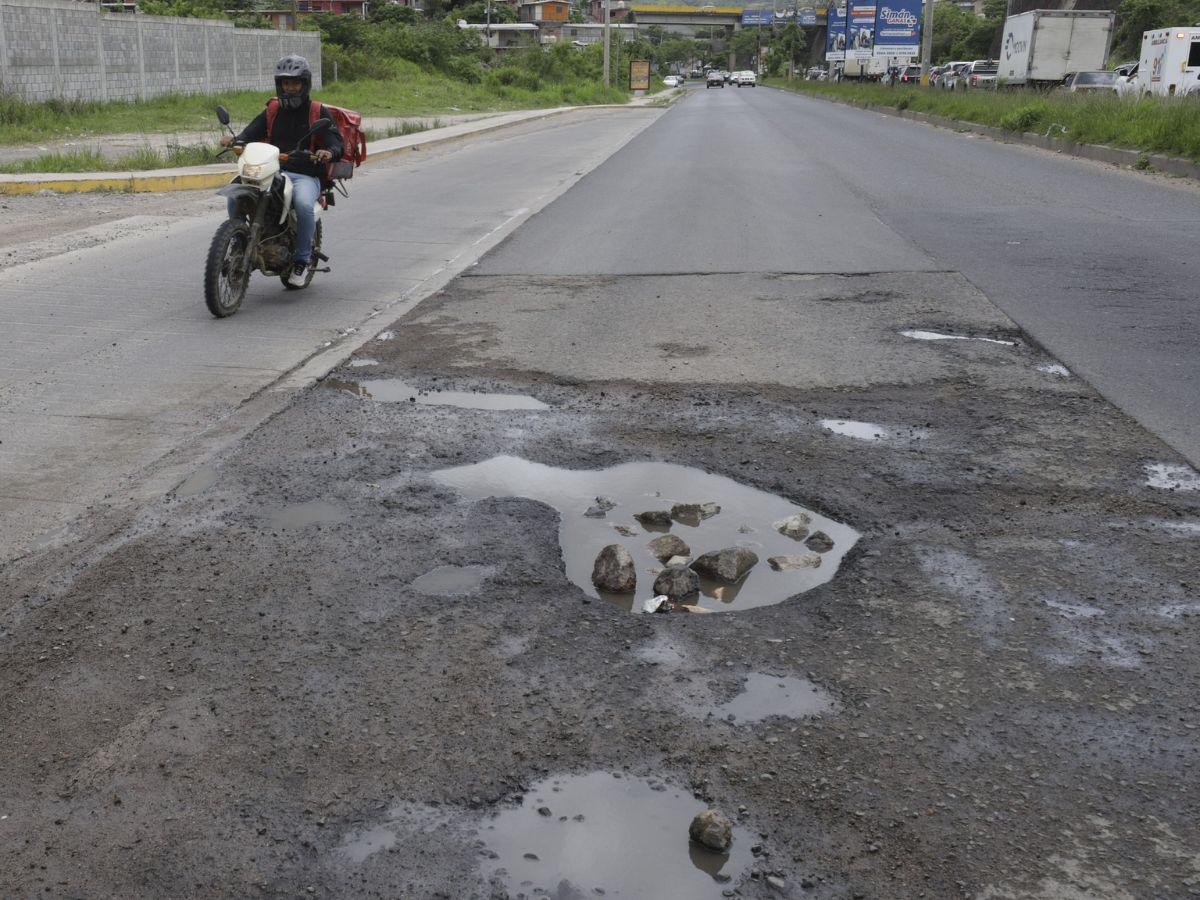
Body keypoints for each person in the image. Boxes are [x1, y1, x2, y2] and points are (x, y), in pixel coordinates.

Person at [220, 55, 343, 287]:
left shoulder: (317, 111)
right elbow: (250, 133)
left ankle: (301, 260)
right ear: (280, 85)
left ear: (304, 84)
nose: (290, 88)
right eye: (286, 83)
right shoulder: (273, 109)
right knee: (235, 192)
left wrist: (328, 152)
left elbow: (336, 142)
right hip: (272, 169)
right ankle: (237, 239)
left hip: (304, 174)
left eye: (295, 83)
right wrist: (236, 141)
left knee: (304, 205)